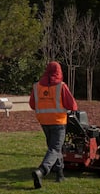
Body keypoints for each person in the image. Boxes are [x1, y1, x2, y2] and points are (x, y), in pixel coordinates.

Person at [29, 61, 78, 189]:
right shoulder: (61, 86)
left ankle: (60, 174)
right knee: (55, 149)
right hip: (58, 122)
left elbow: (32, 104)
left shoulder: (37, 86)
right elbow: (72, 105)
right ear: (59, 71)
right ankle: (42, 171)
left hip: (44, 122)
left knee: (55, 148)